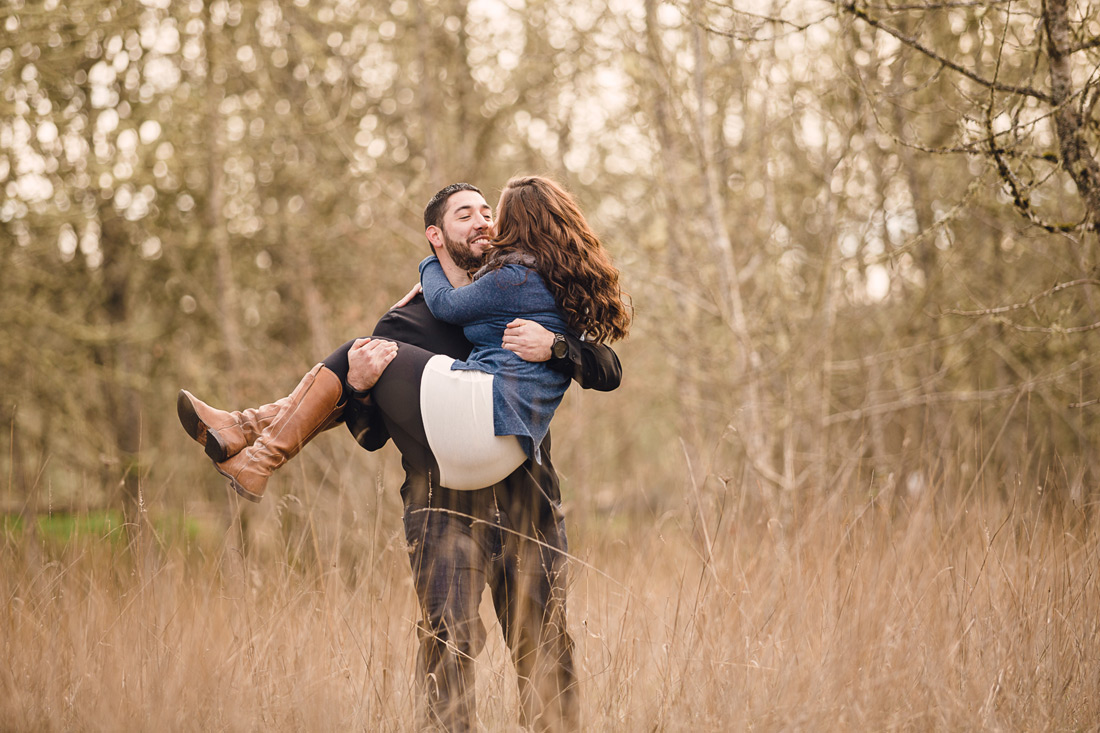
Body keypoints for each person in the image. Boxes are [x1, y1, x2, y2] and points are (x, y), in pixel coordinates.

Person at [177, 179, 627, 731]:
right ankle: (250, 437)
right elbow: (370, 433)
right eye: (466, 215)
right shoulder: (406, 321)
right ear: (436, 236)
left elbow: (608, 368)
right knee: (449, 645)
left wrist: (555, 347)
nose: (483, 221)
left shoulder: (529, 291)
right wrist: (361, 387)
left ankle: (247, 431)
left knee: (546, 647)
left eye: (489, 211)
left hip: (527, 503)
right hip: (443, 510)